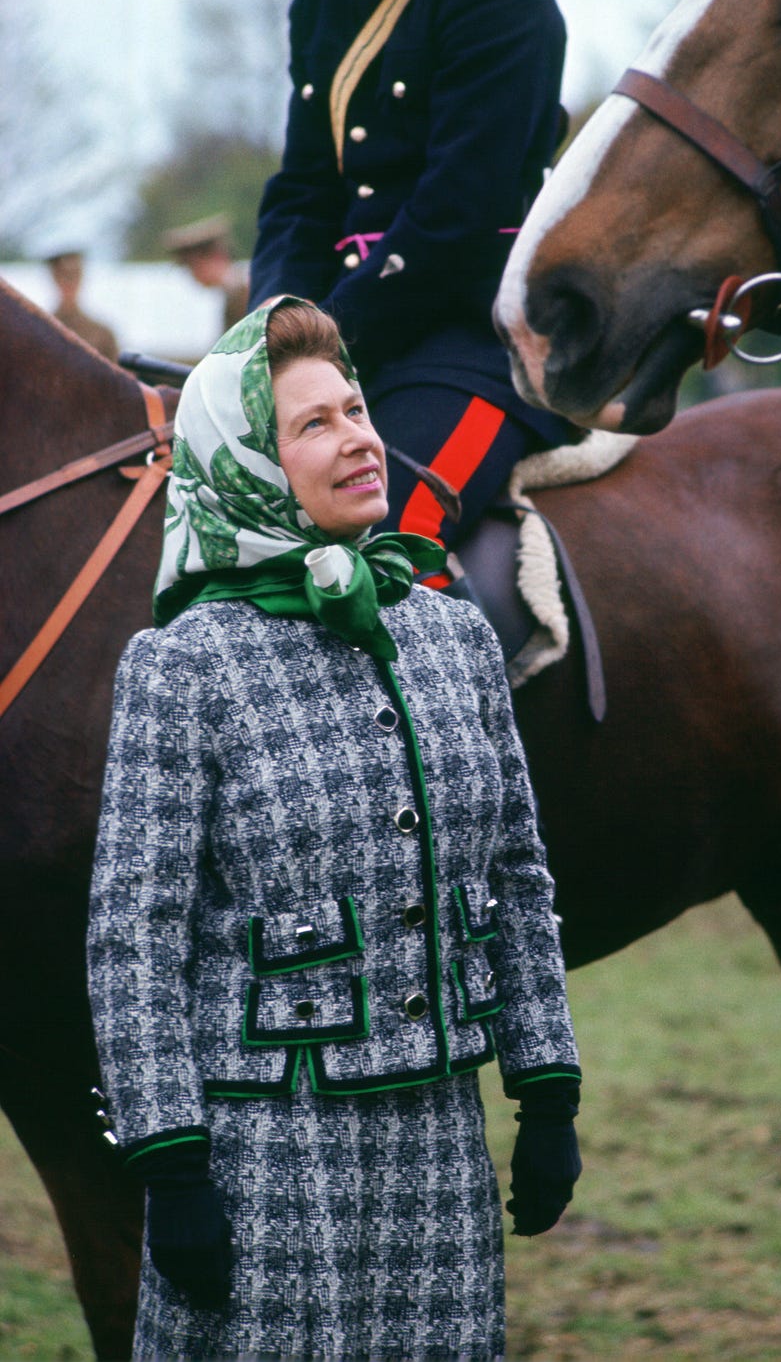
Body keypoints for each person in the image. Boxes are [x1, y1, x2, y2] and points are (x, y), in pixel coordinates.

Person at [87, 297, 582, 1360]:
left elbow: (520, 877)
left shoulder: (453, 637)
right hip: (260, 1157)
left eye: (356, 409)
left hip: (441, 1146)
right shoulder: (181, 664)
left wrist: (545, 1094)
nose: (360, 437)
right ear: (248, 464)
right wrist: (170, 1165)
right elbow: (134, 935)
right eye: (314, 423)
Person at [249, 0, 573, 584]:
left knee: (383, 536)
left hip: (471, 343)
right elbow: (304, 192)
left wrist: (327, 337)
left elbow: (459, 212)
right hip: (344, 341)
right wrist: (269, 333)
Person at [163, 214, 251, 333]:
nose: (192, 275)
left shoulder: (245, 295)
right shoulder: (235, 293)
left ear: (216, 256)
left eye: (193, 266)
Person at [45, 250, 118, 361]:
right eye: (63, 275)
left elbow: (119, 375)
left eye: (74, 275)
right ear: (54, 277)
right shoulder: (42, 329)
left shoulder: (101, 334)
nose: (69, 282)